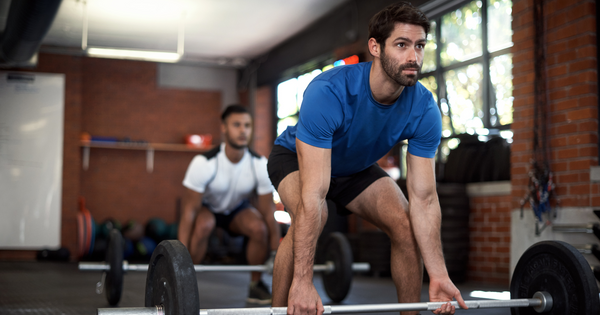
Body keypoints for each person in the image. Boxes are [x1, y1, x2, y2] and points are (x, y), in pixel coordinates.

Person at [266, 2, 468, 315]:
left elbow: (424, 199)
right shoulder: (329, 92)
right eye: (401, 45)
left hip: (353, 166)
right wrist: (305, 281)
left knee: (405, 223)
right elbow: (313, 195)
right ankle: (279, 309)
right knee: (312, 216)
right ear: (375, 47)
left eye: (419, 46)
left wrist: (439, 274)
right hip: (295, 158)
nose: (413, 57)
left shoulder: (424, 109)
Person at [179, 105, 281, 305]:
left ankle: (255, 285)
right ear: (224, 128)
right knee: (202, 225)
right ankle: (185, 282)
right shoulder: (204, 162)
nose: (243, 130)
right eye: (237, 125)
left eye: (247, 125)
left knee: (258, 227)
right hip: (208, 209)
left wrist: (275, 251)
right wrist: (178, 258)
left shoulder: (259, 164)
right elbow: (189, 211)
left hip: (236, 211)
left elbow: (268, 211)